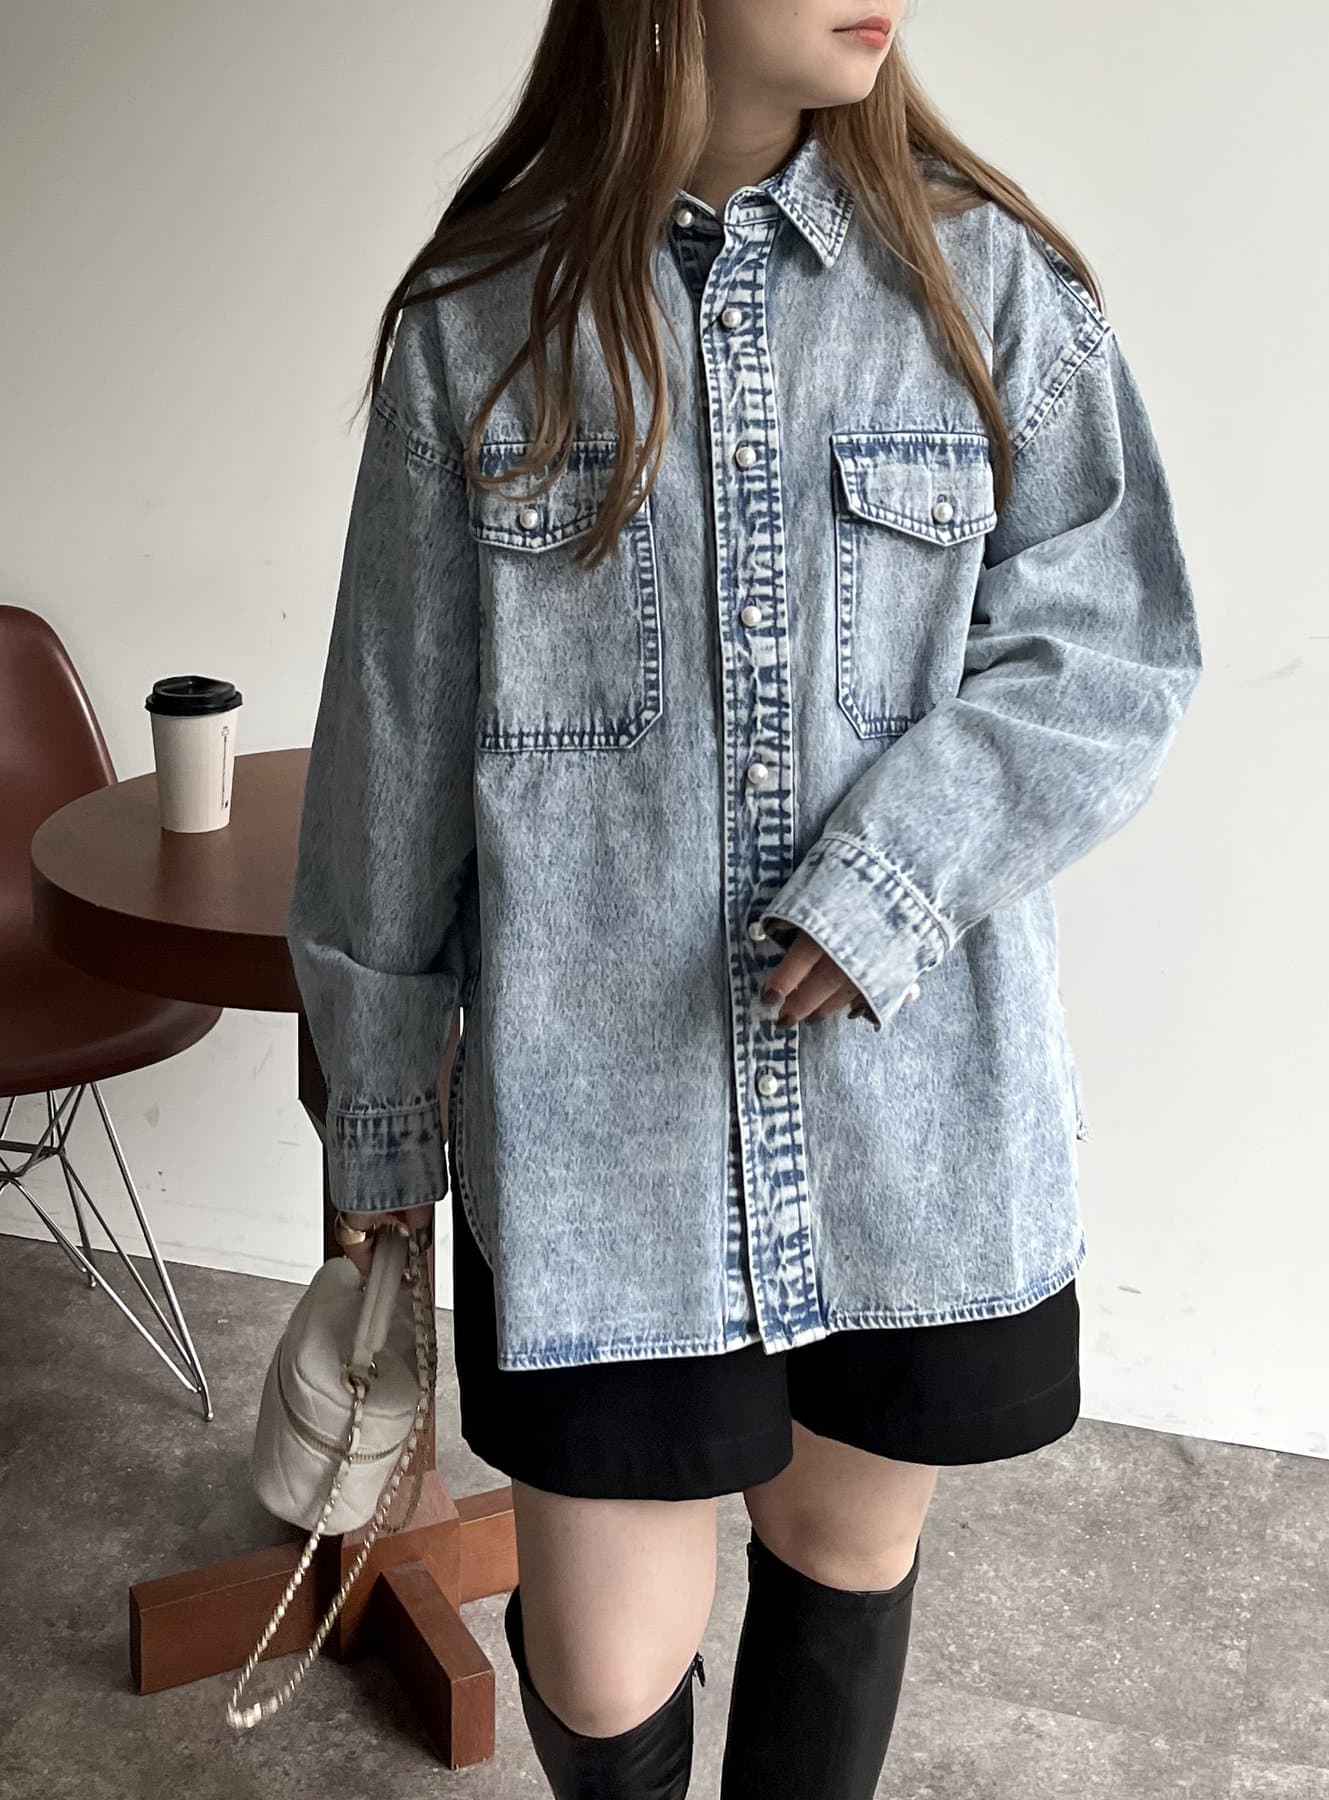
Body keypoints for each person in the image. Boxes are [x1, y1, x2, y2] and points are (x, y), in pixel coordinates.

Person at [286, 2, 1202, 1794]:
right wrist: (384, 1133)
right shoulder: (482, 324)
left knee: (843, 1562)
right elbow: (393, 755)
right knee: (602, 1664)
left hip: (908, 1124)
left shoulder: (988, 289)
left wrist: (891, 881)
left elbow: (1113, 650)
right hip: (600, 1149)